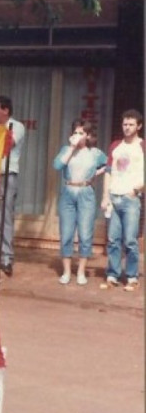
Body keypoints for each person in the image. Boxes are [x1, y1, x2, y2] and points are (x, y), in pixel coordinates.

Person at [53, 119, 107, 286]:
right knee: (67, 233)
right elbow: (57, 165)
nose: (77, 136)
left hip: (86, 193)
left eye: (81, 133)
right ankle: (67, 271)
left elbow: (109, 165)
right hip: (68, 192)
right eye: (75, 132)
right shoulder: (66, 149)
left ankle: (82, 271)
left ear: (88, 136)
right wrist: (71, 147)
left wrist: (95, 174)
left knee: (85, 233)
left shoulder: (95, 153)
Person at [100, 109, 144, 291]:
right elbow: (108, 172)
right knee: (113, 239)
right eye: (125, 124)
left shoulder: (142, 146)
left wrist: (136, 189)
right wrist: (105, 195)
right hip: (114, 197)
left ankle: (132, 277)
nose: (127, 127)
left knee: (131, 240)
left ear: (139, 126)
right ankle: (113, 275)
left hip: (131, 199)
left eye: (131, 124)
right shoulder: (115, 146)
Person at [0, 95, 25, 276]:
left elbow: (6, 144)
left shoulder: (16, 126)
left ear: (6, 110)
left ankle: (6, 257)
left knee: (4, 216)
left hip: (6, 175)